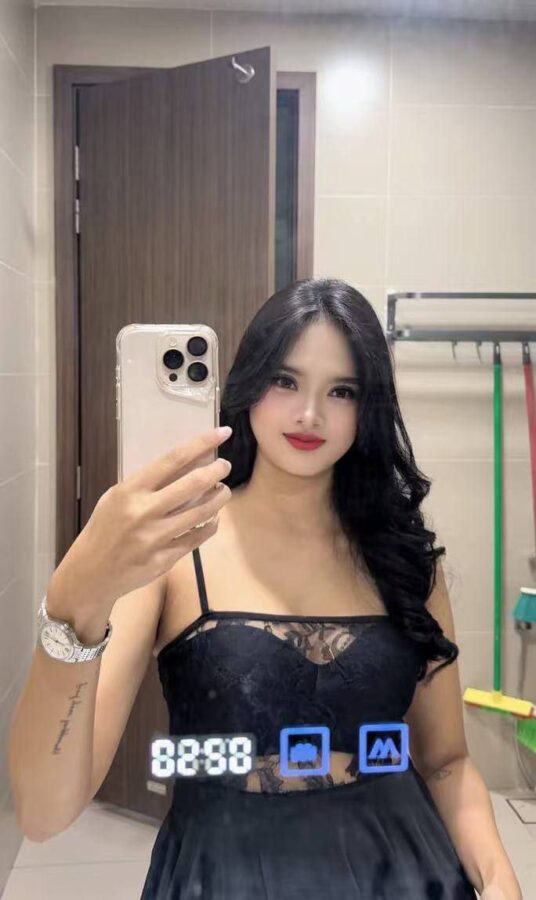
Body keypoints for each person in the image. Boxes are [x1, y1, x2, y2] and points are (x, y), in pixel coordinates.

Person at [9, 278, 519, 898]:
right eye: (285, 380)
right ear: (249, 383)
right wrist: (75, 599)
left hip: (402, 869)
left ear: (369, 407)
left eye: (342, 391)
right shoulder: (173, 551)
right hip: (223, 873)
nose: (310, 415)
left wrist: (500, 877)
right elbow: (44, 813)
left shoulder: (406, 560)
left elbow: (445, 762)